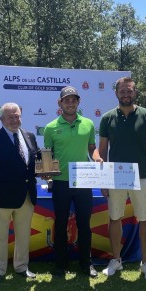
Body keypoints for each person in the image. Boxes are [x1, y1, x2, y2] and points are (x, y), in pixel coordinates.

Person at [93, 77, 146, 281]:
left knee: (145, 219)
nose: (126, 94)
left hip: (141, 176)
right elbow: (102, 151)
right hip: (115, 177)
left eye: (129, 91)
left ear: (135, 93)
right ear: (116, 93)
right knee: (115, 218)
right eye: (122, 91)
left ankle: (145, 262)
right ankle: (116, 260)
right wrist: (102, 178)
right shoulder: (107, 118)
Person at [0, 102, 39, 285]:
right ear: (2, 119)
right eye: (10, 117)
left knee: (23, 235)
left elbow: (34, 164)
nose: (14, 120)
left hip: (26, 197)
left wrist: (46, 173)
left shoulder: (30, 136)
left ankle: (22, 267)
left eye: (17, 116)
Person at [43, 86, 99, 278]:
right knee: (60, 224)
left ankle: (86, 263)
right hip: (60, 182)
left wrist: (97, 157)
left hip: (83, 181)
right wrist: (46, 172)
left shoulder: (89, 124)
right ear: (60, 103)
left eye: (73, 100)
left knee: (84, 224)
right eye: (66, 100)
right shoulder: (50, 127)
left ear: (78, 102)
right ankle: (60, 265)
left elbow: (92, 148)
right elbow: (47, 156)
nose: (70, 103)